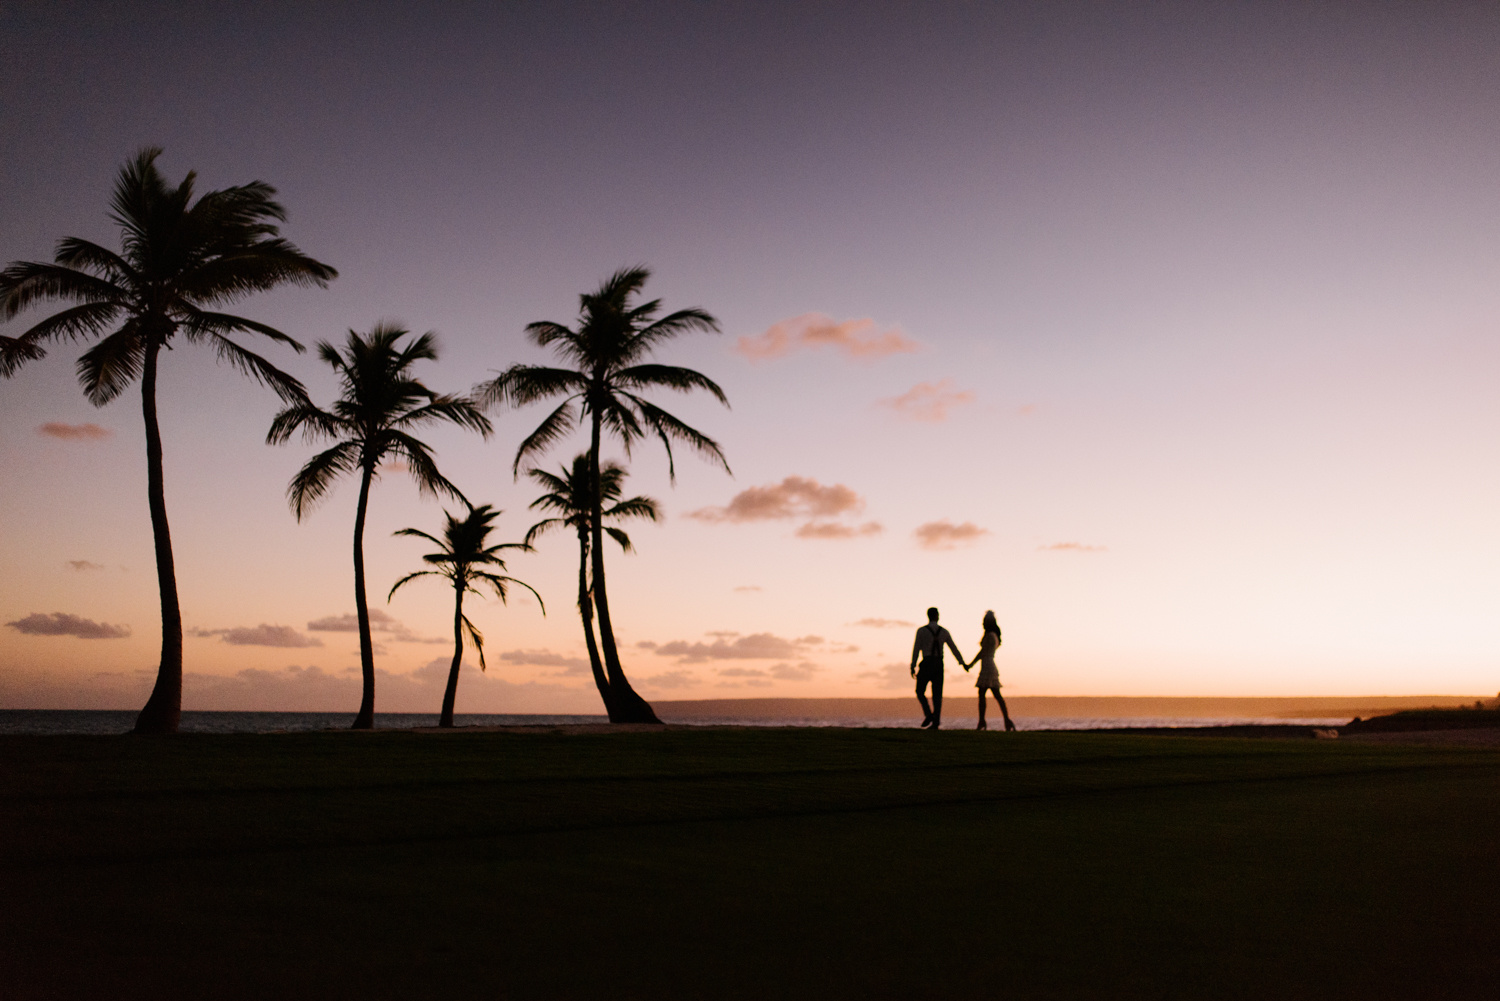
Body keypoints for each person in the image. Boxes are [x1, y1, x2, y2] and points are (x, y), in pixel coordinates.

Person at [910, 607, 964, 729]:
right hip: (939, 664)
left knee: (919, 691)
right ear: (937, 616)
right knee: (937, 694)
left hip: (927, 662)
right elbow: (953, 648)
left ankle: (929, 714)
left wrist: (913, 665)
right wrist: (962, 662)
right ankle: (936, 721)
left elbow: (916, 649)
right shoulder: (944, 632)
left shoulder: (921, 631)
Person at [963, 609, 1016, 731]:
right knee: (994, 695)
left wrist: (970, 665)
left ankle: (986, 721)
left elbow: (982, 653)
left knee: (986, 694)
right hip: (988, 665)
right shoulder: (994, 636)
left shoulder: (990, 636)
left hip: (987, 666)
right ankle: (1005, 721)